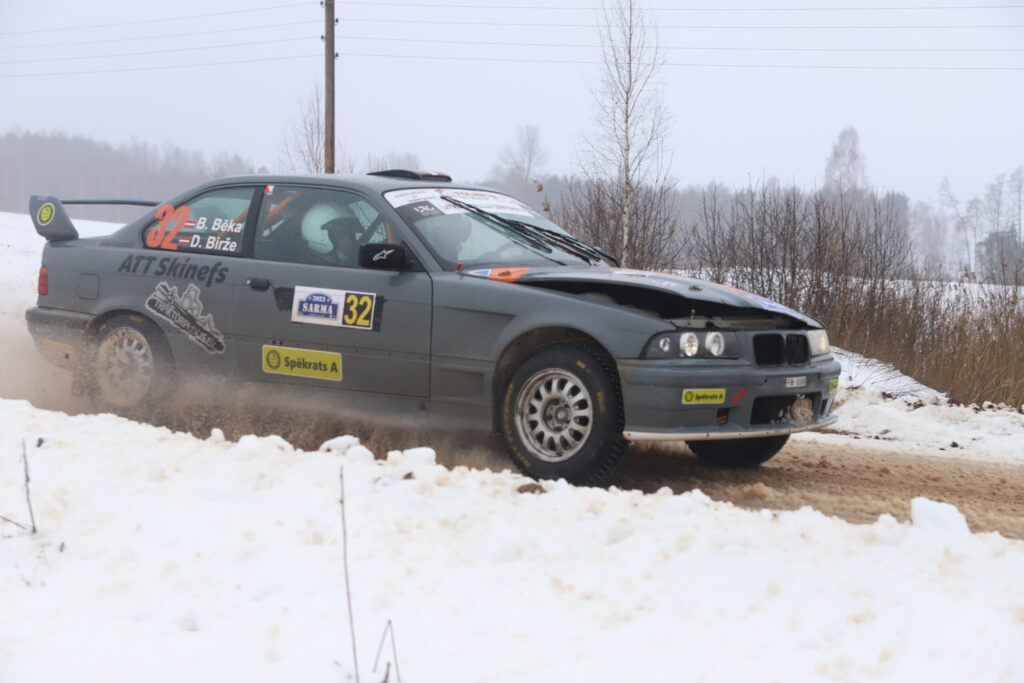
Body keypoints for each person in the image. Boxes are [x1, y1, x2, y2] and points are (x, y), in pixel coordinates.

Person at [300, 202, 362, 266]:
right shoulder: (307, 271)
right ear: (317, 236)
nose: (350, 242)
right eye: (341, 236)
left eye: (351, 235)